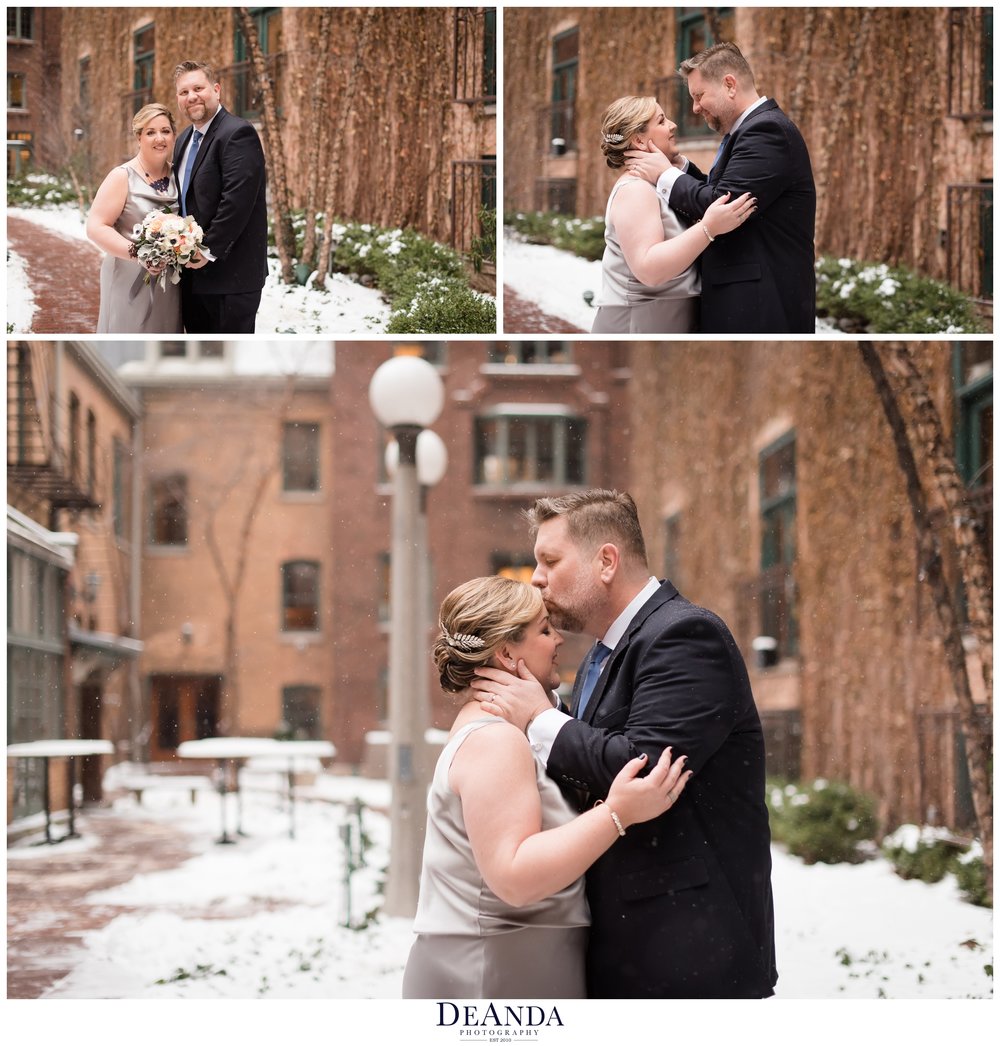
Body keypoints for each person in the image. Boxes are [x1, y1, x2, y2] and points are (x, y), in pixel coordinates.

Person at [473, 490, 777, 999]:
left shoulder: (685, 636)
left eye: (549, 560)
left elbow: (646, 770)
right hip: (631, 950)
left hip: (690, 959)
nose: (537, 578)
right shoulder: (604, 652)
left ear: (606, 561)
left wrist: (541, 720)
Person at [402, 576, 690, 999]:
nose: (558, 639)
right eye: (543, 629)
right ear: (505, 652)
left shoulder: (504, 730)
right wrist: (616, 813)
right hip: (492, 972)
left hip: (514, 961)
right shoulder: (495, 740)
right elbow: (514, 877)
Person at [626, 42, 816, 334]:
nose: (695, 107)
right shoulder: (751, 129)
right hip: (747, 303)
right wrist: (681, 168)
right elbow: (729, 190)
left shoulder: (767, 131)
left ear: (729, 85)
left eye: (699, 95)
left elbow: (723, 205)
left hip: (760, 307)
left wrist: (665, 176)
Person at [592, 95, 755, 334]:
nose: (673, 124)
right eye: (661, 121)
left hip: (669, 319)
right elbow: (649, 269)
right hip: (639, 322)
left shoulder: (657, 183)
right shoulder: (635, 190)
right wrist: (708, 228)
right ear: (639, 140)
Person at [172, 60, 268, 334]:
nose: (191, 97)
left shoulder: (238, 133)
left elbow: (237, 201)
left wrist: (208, 249)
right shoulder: (183, 140)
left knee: (228, 354)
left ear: (216, 90)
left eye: (198, 88)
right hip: (192, 276)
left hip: (231, 276)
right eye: (183, 92)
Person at [86, 103, 183, 334]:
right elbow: (96, 227)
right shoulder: (122, 177)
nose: (159, 138)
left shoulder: (178, 176)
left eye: (165, 131)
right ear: (138, 137)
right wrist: (138, 253)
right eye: (150, 132)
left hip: (170, 282)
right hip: (127, 276)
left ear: (173, 135)